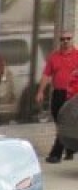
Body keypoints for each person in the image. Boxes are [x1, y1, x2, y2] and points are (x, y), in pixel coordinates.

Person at [34, 31, 78, 163]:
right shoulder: (54, 57)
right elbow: (46, 75)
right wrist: (40, 91)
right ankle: (70, 149)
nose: (65, 41)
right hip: (58, 93)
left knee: (64, 122)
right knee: (59, 121)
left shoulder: (77, 56)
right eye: (62, 39)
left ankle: (56, 154)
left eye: (68, 38)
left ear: (72, 39)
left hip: (73, 96)